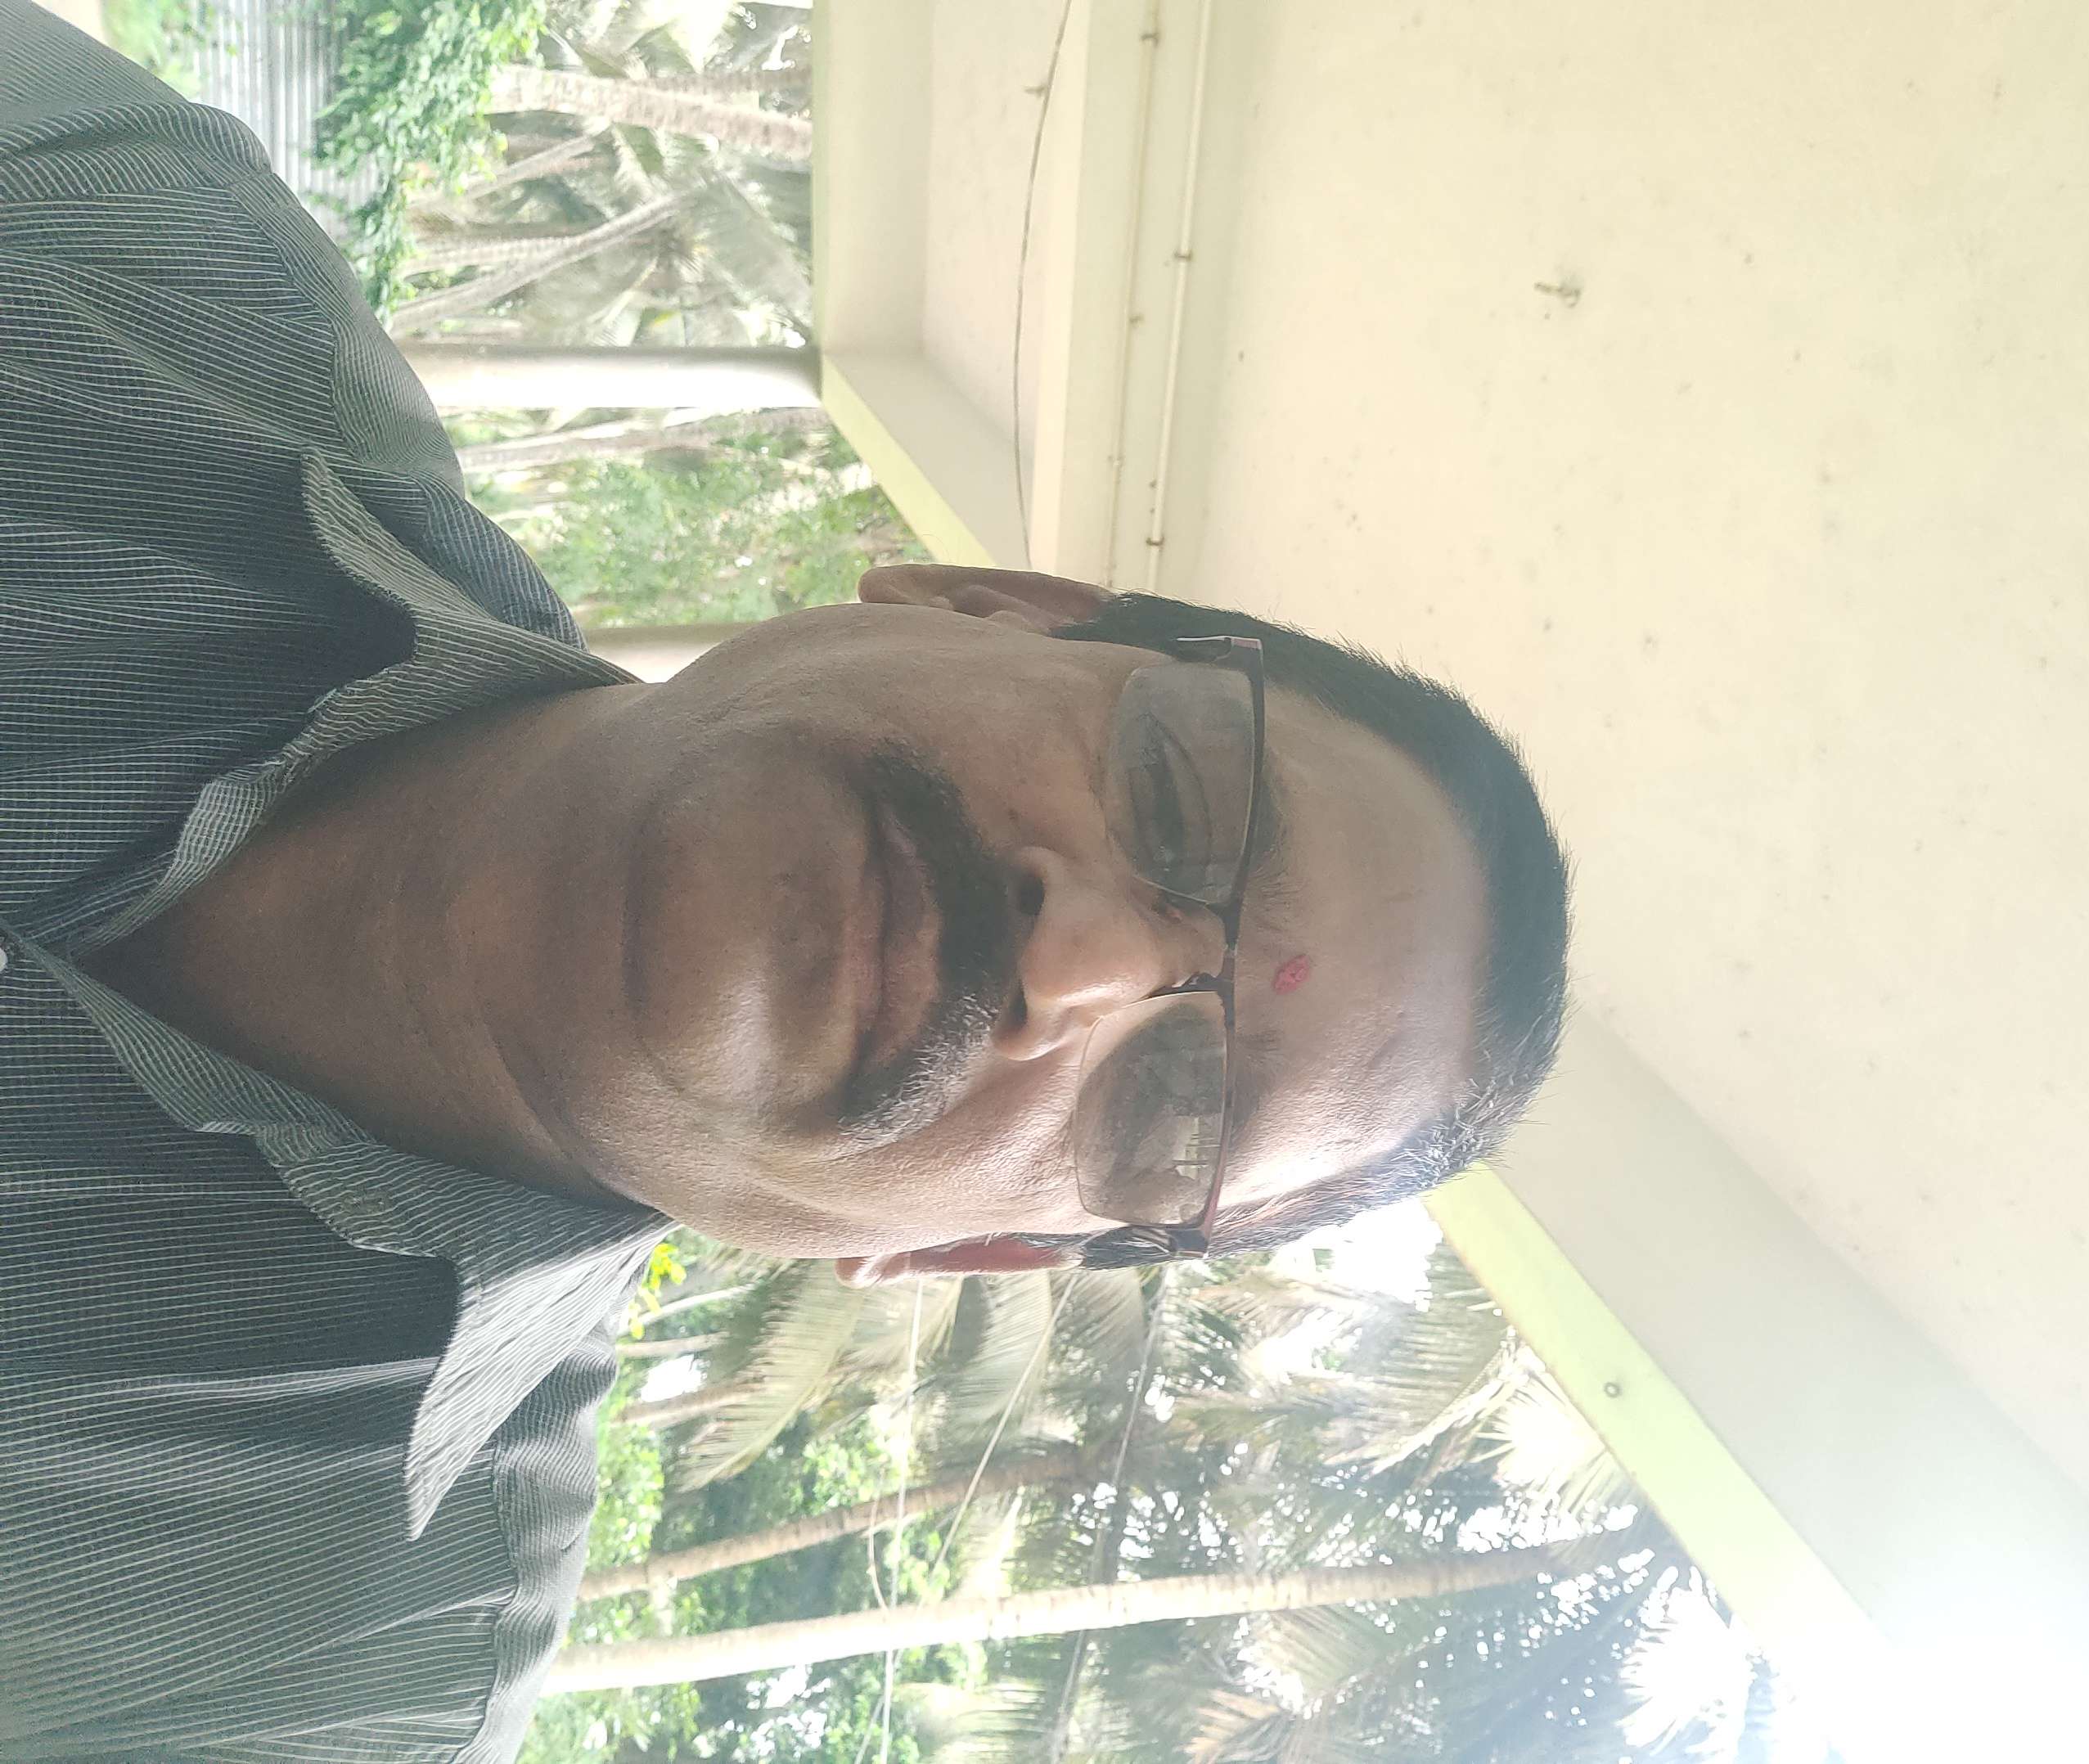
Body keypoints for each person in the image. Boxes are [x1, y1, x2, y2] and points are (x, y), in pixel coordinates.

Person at [0, 3, 1570, 1757]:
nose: (1083, 963)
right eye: (1178, 789)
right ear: (988, 603)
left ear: (965, 1249)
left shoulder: (307, 1680)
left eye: (1172, 1108)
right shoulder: (116, 249)